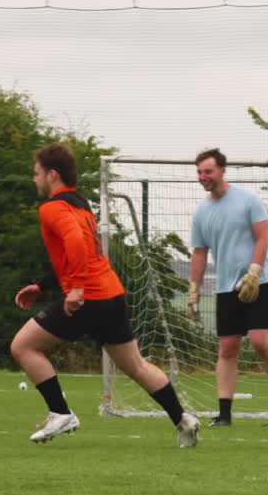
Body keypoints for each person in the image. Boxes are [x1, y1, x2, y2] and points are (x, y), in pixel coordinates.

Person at [13, 142, 199, 447]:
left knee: (23, 347)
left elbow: (75, 242)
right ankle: (183, 420)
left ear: (52, 175)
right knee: (135, 366)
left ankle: (61, 413)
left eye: (36, 173)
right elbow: (79, 249)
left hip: (88, 298)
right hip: (111, 293)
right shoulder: (81, 203)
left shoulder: (52, 208)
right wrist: (43, 285)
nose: (34, 179)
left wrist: (75, 290)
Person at [188, 148, 268, 427]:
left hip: (260, 282)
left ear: (222, 170)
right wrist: (193, 289)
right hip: (226, 288)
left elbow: (262, 237)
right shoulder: (201, 211)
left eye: (208, 171)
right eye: (200, 172)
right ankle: (224, 414)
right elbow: (199, 252)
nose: (203, 177)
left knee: (260, 342)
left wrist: (254, 271)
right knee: (227, 348)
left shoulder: (248, 200)